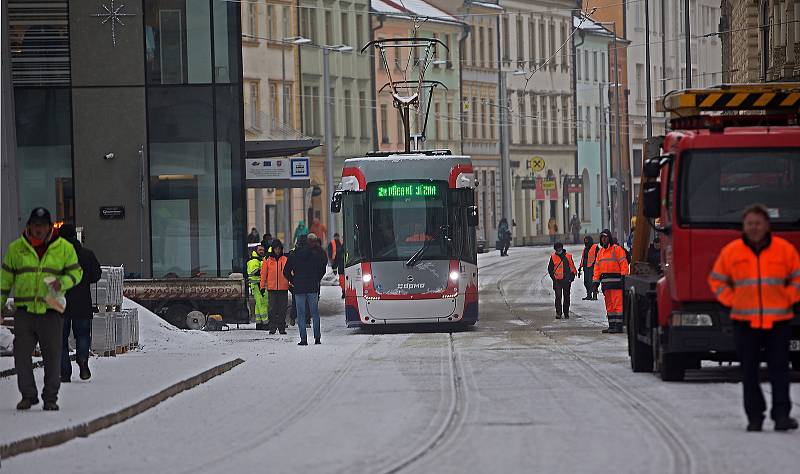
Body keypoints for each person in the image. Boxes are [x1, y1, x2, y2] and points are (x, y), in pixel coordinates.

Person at [708, 204, 800, 432]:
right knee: (749, 372)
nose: (754, 227)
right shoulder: (732, 252)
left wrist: (787, 298)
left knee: (779, 370)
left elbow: (797, 279)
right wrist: (732, 300)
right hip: (745, 322)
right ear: (744, 226)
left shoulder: (784, 250)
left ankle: (781, 416)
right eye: (750, 224)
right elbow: (717, 281)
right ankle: (754, 417)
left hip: (778, 322)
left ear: (767, 225)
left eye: (758, 223)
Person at [1, 208, 83, 411]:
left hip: (50, 311)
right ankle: (28, 395)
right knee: (21, 355)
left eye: (43, 226)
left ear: (49, 227)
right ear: (29, 226)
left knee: (52, 357)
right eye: (35, 225)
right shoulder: (16, 249)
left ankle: (50, 397)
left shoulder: (63, 248)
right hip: (24, 312)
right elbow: (4, 281)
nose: (38, 230)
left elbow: (77, 272)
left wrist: (62, 282)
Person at [58, 224, 102, 382]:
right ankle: (82, 359)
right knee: (82, 334)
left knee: (60, 340)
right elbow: (96, 275)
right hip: (82, 302)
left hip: (60, 304)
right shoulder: (86, 255)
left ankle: (64, 372)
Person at [284, 233, 327, 345]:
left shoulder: (293, 255)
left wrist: (293, 280)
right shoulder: (314, 254)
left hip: (299, 288)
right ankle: (317, 338)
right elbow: (322, 268)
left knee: (301, 314)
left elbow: (286, 271)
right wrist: (317, 279)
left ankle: (303, 339)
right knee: (314, 313)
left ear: (297, 243)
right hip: (312, 287)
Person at [593, 229, 629, 334]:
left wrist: (624, 277)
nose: (604, 239)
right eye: (602, 237)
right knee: (609, 306)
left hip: (617, 282)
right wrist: (595, 282)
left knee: (618, 305)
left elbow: (624, 264)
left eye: (605, 237)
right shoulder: (600, 253)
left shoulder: (617, 250)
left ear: (609, 238)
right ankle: (612, 325)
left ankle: (618, 326)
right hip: (606, 284)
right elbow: (597, 268)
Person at [261, 239, 289, 335]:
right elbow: (263, 274)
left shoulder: (285, 259)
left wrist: (291, 284)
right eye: (276, 249)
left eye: (279, 249)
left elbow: (290, 273)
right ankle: (272, 327)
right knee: (272, 309)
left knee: (282, 309)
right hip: (272, 288)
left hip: (283, 288)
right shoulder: (267, 260)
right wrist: (262, 286)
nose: (277, 251)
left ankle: (281, 327)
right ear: (273, 249)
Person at [548, 242, 577, 319]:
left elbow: (572, 267)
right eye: (556, 249)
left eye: (559, 248)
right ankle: (559, 313)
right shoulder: (553, 257)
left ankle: (566, 312)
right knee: (558, 297)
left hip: (567, 280)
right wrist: (553, 278)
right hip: (557, 281)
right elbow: (550, 269)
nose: (558, 250)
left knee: (566, 297)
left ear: (562, 248)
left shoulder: (568, 256)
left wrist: (572, 276)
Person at [247, 245, 268, 330]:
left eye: (262, 250)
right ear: (256, 251)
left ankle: (259, 323)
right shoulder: (254, 260)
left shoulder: (259, 259)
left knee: (258, 305)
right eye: (259, 250)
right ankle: (266, 323)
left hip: (258, 284)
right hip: (257, 284)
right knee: (263, 303)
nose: (261, 251)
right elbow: (254, 272)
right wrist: (266, 271)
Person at [578, 235, 599, 300]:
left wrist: (596, 264)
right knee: (586, 282)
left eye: (587, 240)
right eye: (585, 241)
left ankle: (594, 295)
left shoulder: (595, 247)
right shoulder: (585, 249)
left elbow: (598, 257)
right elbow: (583, 258)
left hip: (593, 267)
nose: (586, 242)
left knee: (593, 282)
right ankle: (589, 294)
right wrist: (580, 267)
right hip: (586, 268)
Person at [328, 233, 345, 298]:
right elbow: (330, 251)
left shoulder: (341, 243)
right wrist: (330, 258)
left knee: (341, 278)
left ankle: (343, 290)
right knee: (339, 275)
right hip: (336, 260)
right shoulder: (332, 243)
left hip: (341, 262)